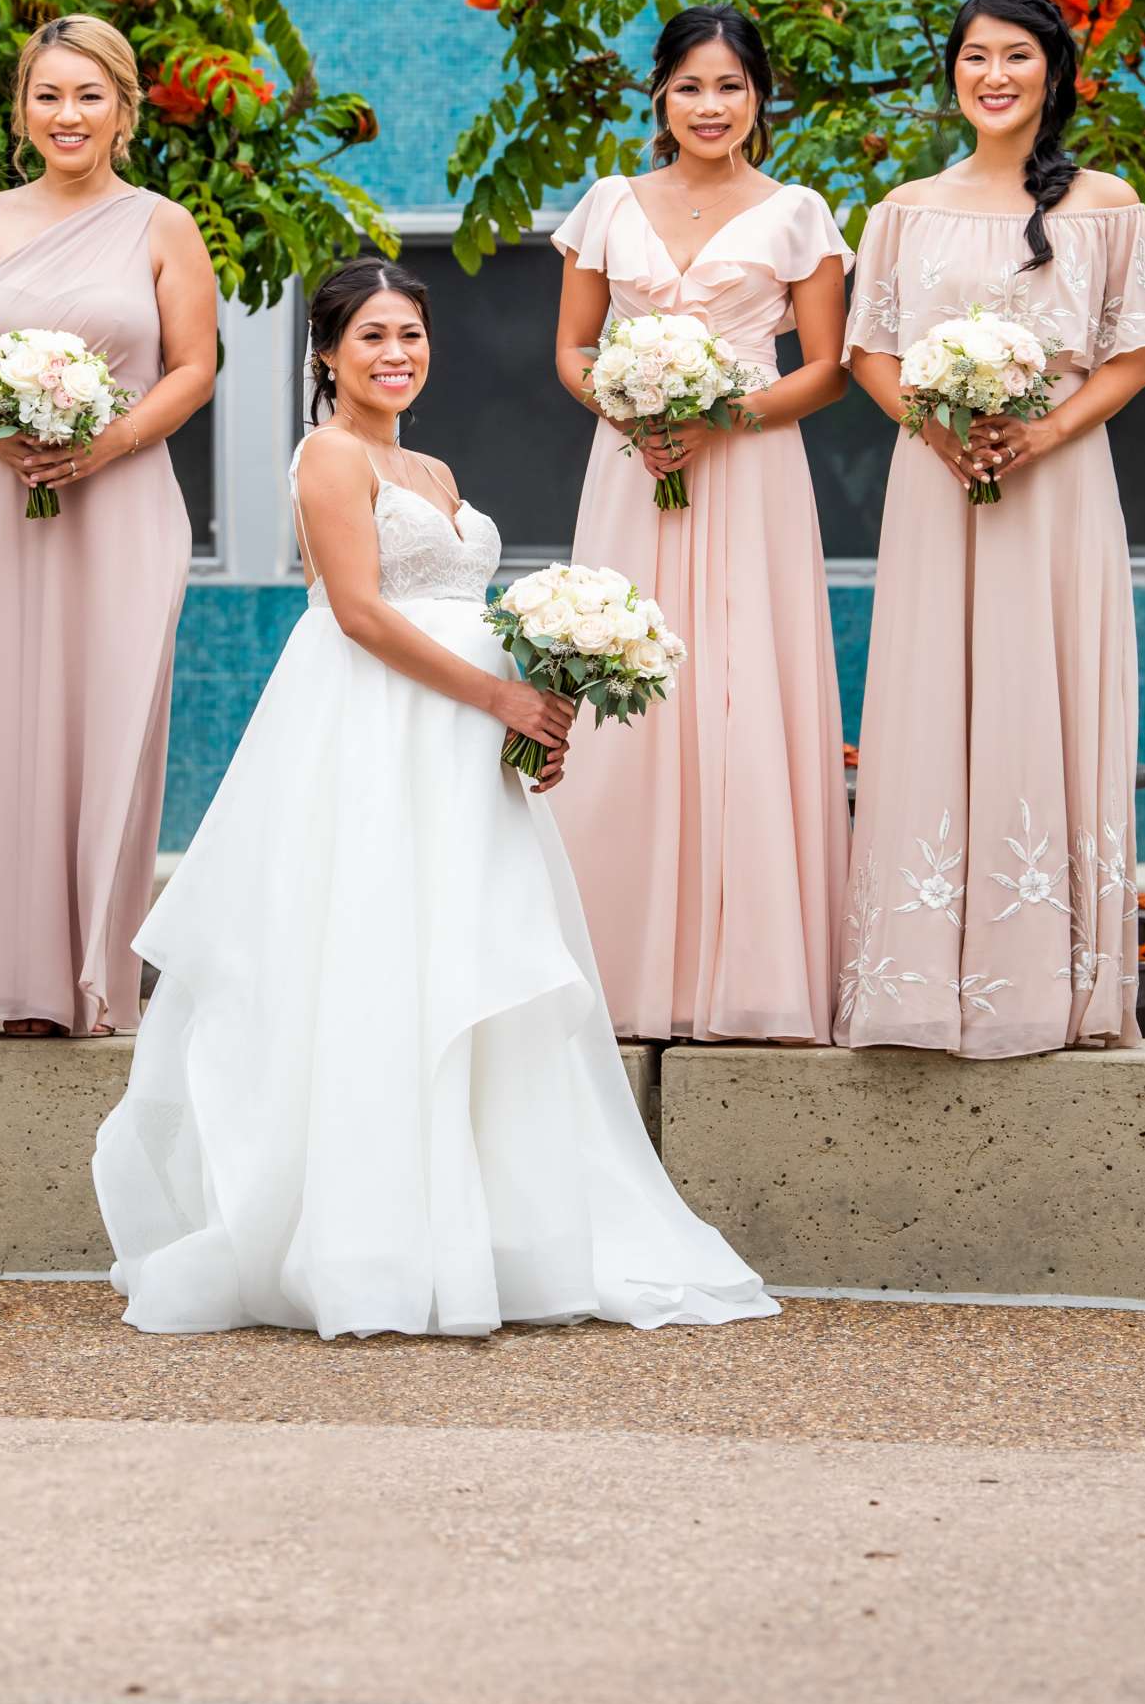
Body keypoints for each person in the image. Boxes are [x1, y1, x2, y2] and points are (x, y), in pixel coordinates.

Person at [91, 258, 780, 1338]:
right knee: (375, 959)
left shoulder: (438, 470)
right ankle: (367, 1241)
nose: (395, 355)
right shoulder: (327, 455)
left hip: (460, 746)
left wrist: (536, 711)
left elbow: (467, 608)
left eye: (410, 334)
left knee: (473, 957)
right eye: (370, 337)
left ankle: (492, 1229)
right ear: (326, 355)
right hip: (372, 732)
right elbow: (361, 614)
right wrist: (499, 694)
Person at [838, 0, 1145, 1057]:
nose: (994, 76)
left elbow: (1134, 352)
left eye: (1018, 58)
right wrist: (933, 432)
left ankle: (1051, 984)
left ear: (1055, 74)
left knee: (1046, 689)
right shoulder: (903, 207)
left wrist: (1046, 432)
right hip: (934, 486)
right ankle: (918, 982)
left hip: (1058, 484)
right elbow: (869, 351)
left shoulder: (1108, 205)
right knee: (938, 693)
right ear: (954, 70)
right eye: (976, 56)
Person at [0, 15, 216, 1036]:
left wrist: (106, 442)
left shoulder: (162, 224)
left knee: (105, 717)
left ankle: (87, 975)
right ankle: (3, 976)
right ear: (22, 110)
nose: (67, 114)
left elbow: (194, 367)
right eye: (49, 95)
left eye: (89, 95)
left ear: (124, 109)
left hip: (121, 497)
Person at [549, 5, 852, 1043]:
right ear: (660, 97)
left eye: (729, 86)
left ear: (759, 95)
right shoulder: (607, 203)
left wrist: (721, 416)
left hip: (752, 471)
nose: (709, 106)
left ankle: (751, 975)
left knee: (739, 682)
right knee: (626, 676)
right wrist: (635, 409)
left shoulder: (799, 211)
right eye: (689, 86)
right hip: (633, 466)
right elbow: (574, 350)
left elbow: (827, 368)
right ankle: (616, 966)